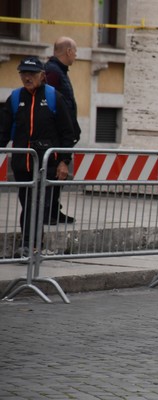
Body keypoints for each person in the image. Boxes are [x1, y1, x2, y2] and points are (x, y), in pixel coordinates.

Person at [0, 56, 76, 258]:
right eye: (23, 73)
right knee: (28, 203)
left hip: (47, 164)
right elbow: (3, 131)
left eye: (31, 73)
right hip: (22, 165)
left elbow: (68, 133)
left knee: (39, 204)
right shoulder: (15, 98)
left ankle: (30, 245)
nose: (27, 77)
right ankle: (30, 245)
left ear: (42, 76)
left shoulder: (53, 97)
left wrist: (64, 161)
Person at [44, 36, 81, 224]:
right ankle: (47, 211)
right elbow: (52, 105)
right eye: (74, 51)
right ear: (68, 51)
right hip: (55, 136)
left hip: (63, 135)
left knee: (60, 173)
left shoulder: (59, 72)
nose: (75, 55)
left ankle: (54, 209)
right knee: (54, 171)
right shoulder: (53, 73)